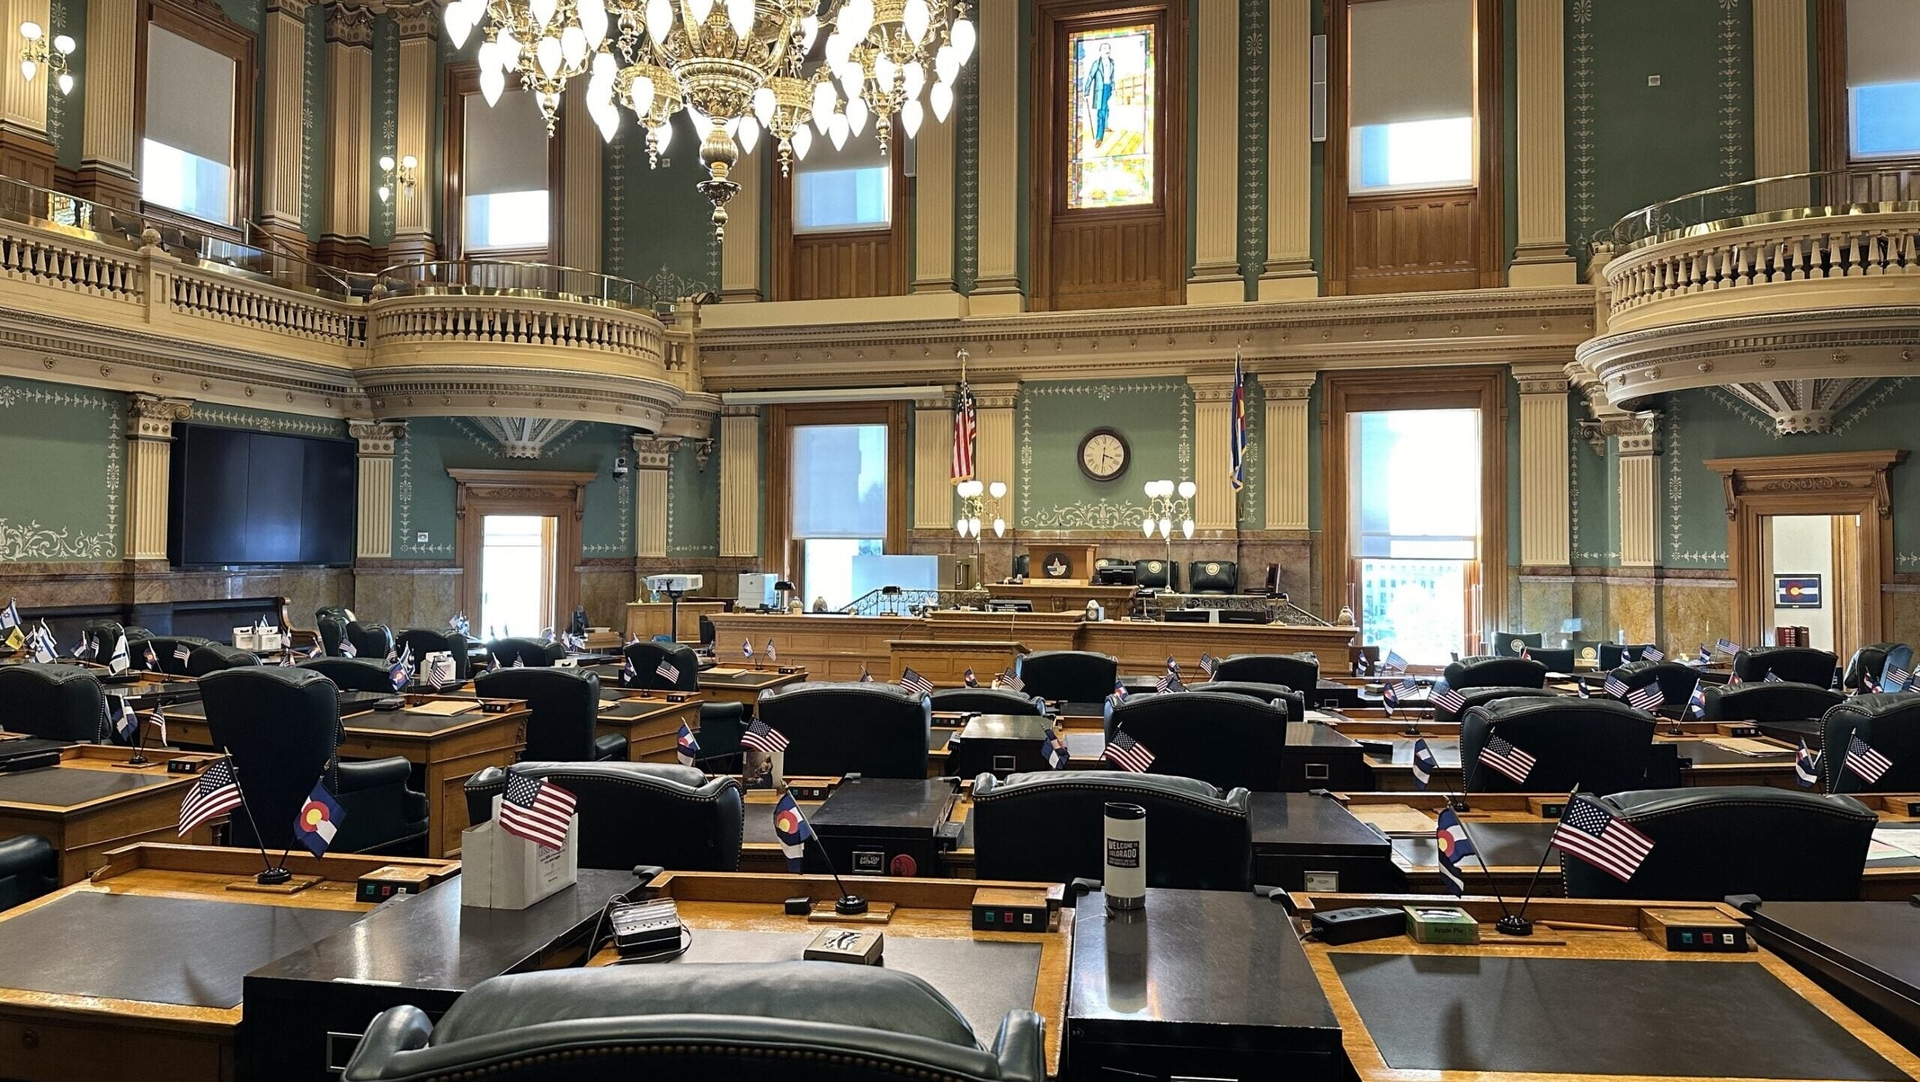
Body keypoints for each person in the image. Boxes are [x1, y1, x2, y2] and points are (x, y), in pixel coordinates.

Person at [1083, 41, 1116, 145]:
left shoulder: (1112, 62)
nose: (1107, 50)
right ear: (1100, 51)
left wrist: (1114, 88)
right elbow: (1090, 77)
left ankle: (1105, 127)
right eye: (1105, 48)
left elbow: (1112, 77)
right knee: (1101, 112)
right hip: (1100, 90)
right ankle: (1099, 137)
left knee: (1106, 109)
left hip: (1108, 88)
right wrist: (1086, 92)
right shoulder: (1096, 64)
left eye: (1108, 48)